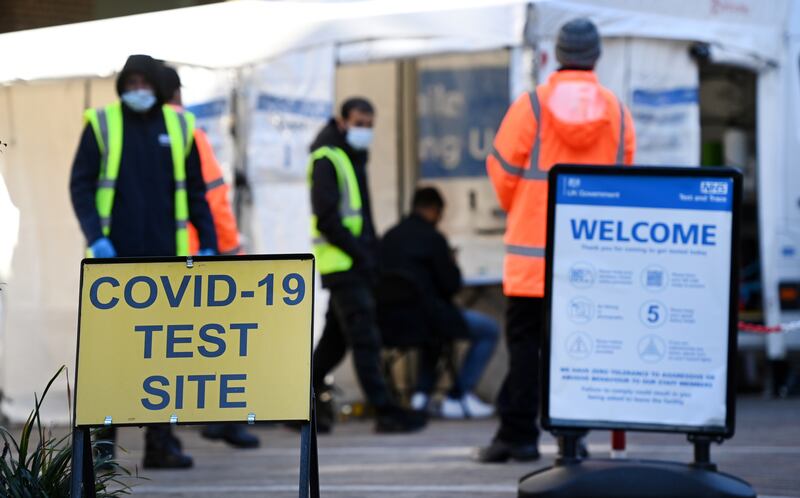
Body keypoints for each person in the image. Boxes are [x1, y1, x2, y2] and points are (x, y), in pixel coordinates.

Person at [476, 18, 636, 463]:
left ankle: (518, 436)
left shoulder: (531, 107)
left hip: (530, 258)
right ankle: (572, 438)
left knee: (525, 348)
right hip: (588, 257)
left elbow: (501, 169)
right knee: (577, 350)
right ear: (595, 56)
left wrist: (524, 207)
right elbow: (625, 183)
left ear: (559, 54)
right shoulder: (617, 113)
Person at [70, 54, 219, 469]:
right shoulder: (101, 123)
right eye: (130, 82)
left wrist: (208, 243)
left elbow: (195, 190)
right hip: (113, 263)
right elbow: (80, 186)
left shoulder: (179, 126)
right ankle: (101, 452)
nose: (137, 89)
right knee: (109, 355)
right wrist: (96, 238)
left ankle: (160, 445)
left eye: (144, 82)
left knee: (164, 356)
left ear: (156, 85)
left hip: (166, 260)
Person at [309, 97, 426, 433]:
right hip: (344, 265)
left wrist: (369, 255)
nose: (365, 131)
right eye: (359, 123)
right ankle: (385, 410)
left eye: (370, 125)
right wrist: (361, 253)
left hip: (353, 263)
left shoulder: (349, 155)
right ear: (342, 121)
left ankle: (298, 405)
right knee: (365, 339)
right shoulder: (327, 158)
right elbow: (327, 219)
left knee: (335, 342)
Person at [160, 65, 259, 449]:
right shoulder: (186, 129)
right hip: (198, 255)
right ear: (177, 94)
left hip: (151, 257)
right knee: (218, 343)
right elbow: (215, 196)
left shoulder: (125, 130)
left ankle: (157, 438)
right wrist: (230, 248)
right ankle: (225, 421)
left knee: (158, 348)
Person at [379, 187, 498, 418]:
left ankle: (421, 395)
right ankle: (459, 394)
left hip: (389, 325)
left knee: (433, 332)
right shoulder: (434, 239)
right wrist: (451, 262)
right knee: (488, 330)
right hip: (431, 321)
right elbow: (450, 284)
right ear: (434, 210)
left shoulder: (388, 238)